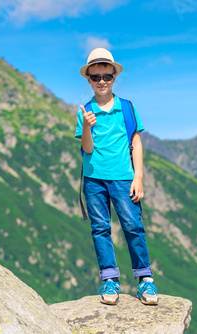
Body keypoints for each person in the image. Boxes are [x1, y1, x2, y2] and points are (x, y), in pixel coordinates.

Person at [75, 48, 158, 306]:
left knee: (133, 226)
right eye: (96, 77)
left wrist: (139, 177)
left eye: (106, 76)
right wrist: (87, 125)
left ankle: (145, 280)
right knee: (100, 229)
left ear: (114, 77)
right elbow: (86, 148)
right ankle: (110, 280)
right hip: (94, 179)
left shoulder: (127, 108)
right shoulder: (85, 111)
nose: (101, 82)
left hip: (124, 178)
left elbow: (137, 142)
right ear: (88, 79)